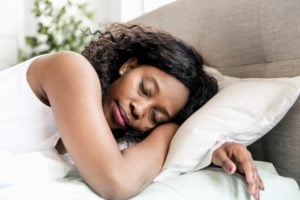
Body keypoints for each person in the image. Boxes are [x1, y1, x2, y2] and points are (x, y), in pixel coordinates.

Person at [0, 23, 263, 200]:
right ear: (129, 66)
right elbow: (117, 182)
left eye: (156, 116)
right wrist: (170, 129)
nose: (140, 109)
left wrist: (206, 145)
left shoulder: (118, 142)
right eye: (145, 89)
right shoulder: (72, 69)